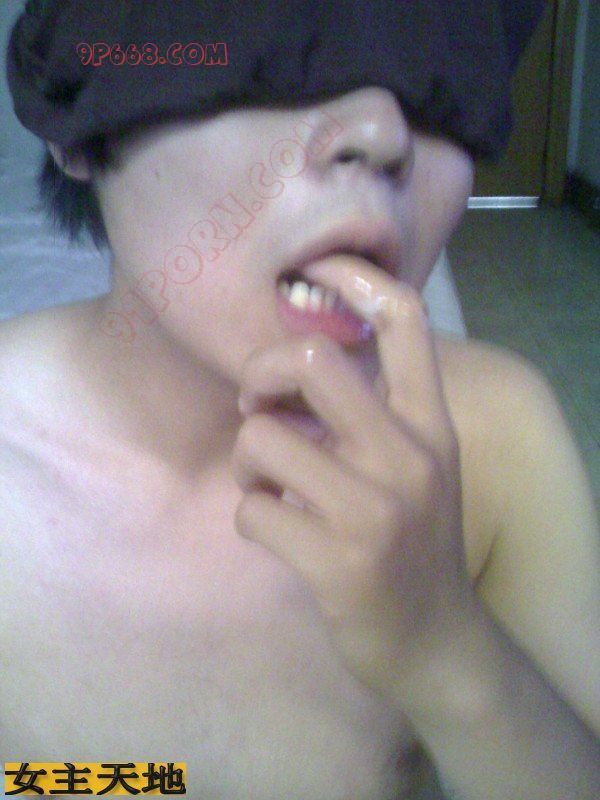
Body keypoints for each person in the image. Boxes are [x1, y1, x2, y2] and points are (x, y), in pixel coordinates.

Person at [2, 2, 599, 798]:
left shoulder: (499, 435)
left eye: (443, 74)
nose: (383, 133)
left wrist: (449, 657)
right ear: (75, 115)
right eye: (270, 33)